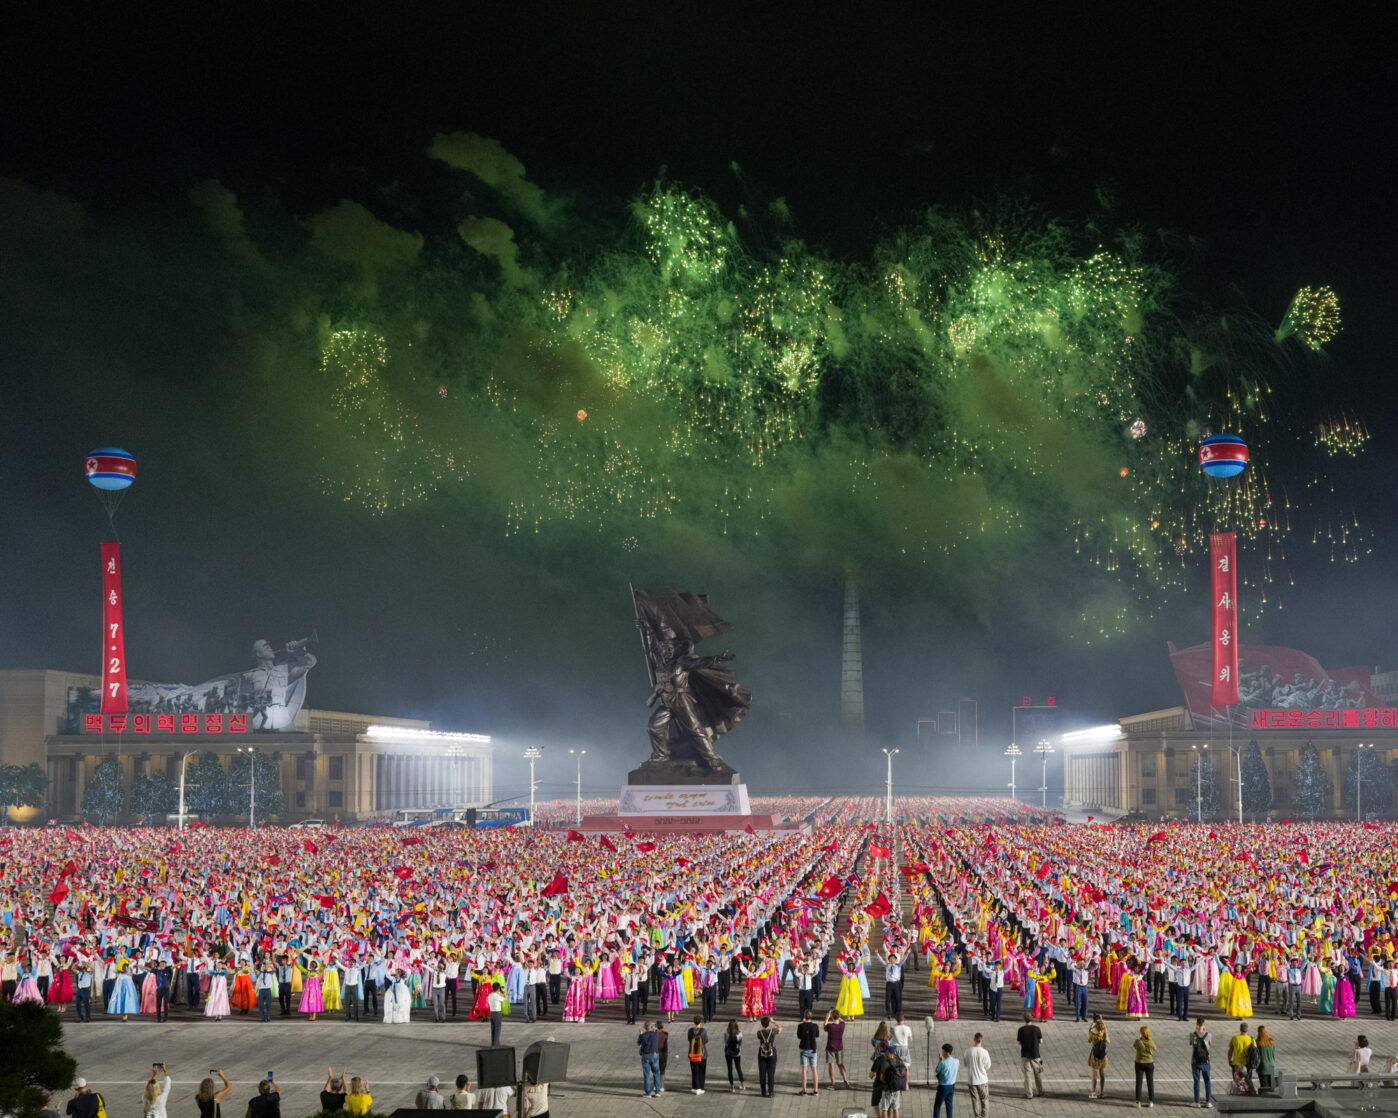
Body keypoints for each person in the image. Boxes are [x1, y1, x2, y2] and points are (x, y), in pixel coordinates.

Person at [1017, 1011, 1045, 1099]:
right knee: (1037, 1074)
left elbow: (1019, 1042)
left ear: (1024, 1019)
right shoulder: (1036, 1029)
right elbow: (1041, 1041)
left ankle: (1029, 1094)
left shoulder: (1021, 1030)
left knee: (1027, 1075)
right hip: (1035, 1054)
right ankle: (1040, 1091)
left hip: (1025, 1055)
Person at [824, 1008, 851, 1090]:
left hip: (830, 1048)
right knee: (840, 1064)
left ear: (832, 1017)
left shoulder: (830, 1026)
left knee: (831, 1066)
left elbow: (824, 1027)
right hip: (839, 1047)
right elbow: (843, 1021)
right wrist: (838, 1016)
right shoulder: (842, 1025)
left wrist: (827, 1017)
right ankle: (845, 1080)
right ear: (839, 1016)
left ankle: (833, 1084)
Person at [966, 1033, 991, 1118]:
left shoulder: (968, 1051)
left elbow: (966, 1063)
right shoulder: (984, 1052)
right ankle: (985, 1116)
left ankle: (977, 1116)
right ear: (981, 1040)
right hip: (982, 1080)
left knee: (975, 1100)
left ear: (974, 1039)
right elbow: (988, 1066)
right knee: (984, 1100)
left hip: (972, 1080)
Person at [756, 1014, 782, 1098]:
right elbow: (780, 1028)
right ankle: (771, 1092)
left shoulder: (759, 1033)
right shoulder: (773, 1031)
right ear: (768, 1023)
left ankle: (763, 1091)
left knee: (762, 1073)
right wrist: (773, 1021)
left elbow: (758, 1037)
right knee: (771, 1073)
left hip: (762, 1053)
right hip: (772, 1053)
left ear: (762, 1024)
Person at [1191, 1017, 1213, 1108]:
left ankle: (1197, 1102)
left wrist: (1196, 1031)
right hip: (1206, 1061)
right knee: (1207, 1082)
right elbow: (1209, 1045)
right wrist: (1205, 1031)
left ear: (1196, 1025)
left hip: (1195, 1061)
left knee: (1196, 1082)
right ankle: (1208, 1101)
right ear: (1204, 1025)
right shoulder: (1209, 1035)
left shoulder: (1192, 1034)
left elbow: (1191, 1043)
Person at [797, 1009, 820, 1094]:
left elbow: (799, 1036)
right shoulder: (815, 1026)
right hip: (813, 1049)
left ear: (804, 1017)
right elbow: (817, 1035)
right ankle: (816, 1090)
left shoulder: (801, 1026)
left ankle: (804, 1090)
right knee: (814, 1070)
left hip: (804, 1048)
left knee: (804, 1070)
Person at [1133, 1025, 1156, 1108]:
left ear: (1141, 1034)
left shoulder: (1138, 1042)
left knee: (1139, 1083)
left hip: (1139, 1063)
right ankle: (1151, 1101)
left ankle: (1138, 1101)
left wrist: (1139, 1039)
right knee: (1150, 1083)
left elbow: (1135, 1046)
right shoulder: (1151, 1042)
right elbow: (1154, 1048)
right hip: (1149, 1063)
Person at [934, 1043, 959, 1118]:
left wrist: (940, 1061)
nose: (942, 1053)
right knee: (949, 1106)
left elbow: (937, 1070)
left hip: (943, 1087)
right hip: (951, 1086)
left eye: (943, 1051)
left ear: (946, 1052)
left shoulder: (943, 1063)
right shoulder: (957, 1061)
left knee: (937, 1107)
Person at [1227, 1023, 1254, 1093]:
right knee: (1247, 1081)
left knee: (1237, 1083)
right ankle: (1246, 1094)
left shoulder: (1235, 1038)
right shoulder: (1251, 1040)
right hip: (1247, 1064)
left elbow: (1230, 1051)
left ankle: (1239, 1094)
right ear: (1247, 1030)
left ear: (1240, 1029)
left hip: (1236, 1064)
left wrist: (1229, 1060)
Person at [1088, 1012, 1109, 1099]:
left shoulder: (1093, 1035)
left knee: (1094, 1075)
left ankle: (1093, 1092)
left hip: (1095, 1056)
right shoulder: (1104, 1034)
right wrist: (1102, 1021)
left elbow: (1089, 1039)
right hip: (1103, 1057)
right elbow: (1107, 1039)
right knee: (1102, 1074)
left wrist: (1091, 1026)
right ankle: (1102, 1092)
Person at [639, 1021, 661, 1098]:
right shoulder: (656, 1034)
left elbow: (638, 1043)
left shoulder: (643, 1035)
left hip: (646, 1055)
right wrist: (654, 1028)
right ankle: (657, 1091)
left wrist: (640, 1034)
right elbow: (657, 1028)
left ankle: (648, 1093)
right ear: (651, 1027)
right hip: (654, 1054)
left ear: (645, 1028)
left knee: (646, 1075)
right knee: (656, 1073)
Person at [687, 1013, 709, 1094]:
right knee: (702, 1071)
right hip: (702, 1054)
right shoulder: (703, 1031)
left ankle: (695, 1087)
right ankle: (701, 1087)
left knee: (694, 1070)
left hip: (692, 1053)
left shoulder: (690, 1031)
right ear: (700, 1022)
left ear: (694, 1022)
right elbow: (706, 1040)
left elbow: (689, 1040)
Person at [1255, 1026, 1276, 1092]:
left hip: (1263, 1067)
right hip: (1271, 1065)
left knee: (1264, 1086)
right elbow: (1273, 1054)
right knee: (1271, 1086)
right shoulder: (1271, 1042)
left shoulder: (1257, 1043)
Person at [487, 982, 504, 1047]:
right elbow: (504, 999)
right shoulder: (497, 996)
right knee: (497, 1029)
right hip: (497, 1013)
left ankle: (493, 1043)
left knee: (493, 1029)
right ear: (498, 989)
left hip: (492, 1013)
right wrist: (503, 993)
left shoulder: (489, 996)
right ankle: (496, 1044)